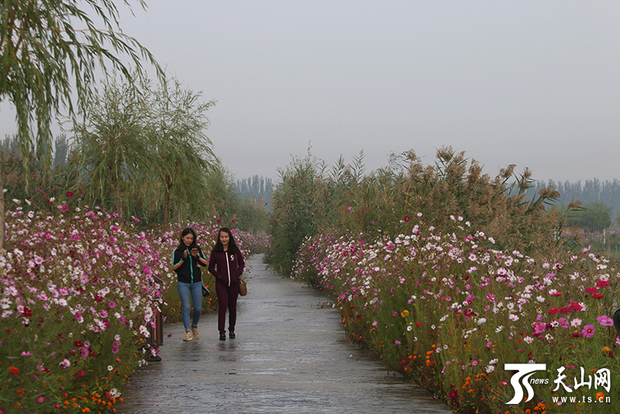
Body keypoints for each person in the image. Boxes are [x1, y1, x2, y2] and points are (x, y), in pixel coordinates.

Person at [172, 227, 209, 341]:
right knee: (186, 307)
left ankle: (194, 325)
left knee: (197, 308)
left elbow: (204, 263)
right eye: (187, 238)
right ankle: (187, 331)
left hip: (196, 283)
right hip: (183, 283)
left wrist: (196, 257)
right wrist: (183, 259)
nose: (189, 240)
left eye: (191, 238)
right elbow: (174, 267)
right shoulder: (177, 251)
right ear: (182, 237)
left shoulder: (197, 249)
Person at [208, 227, 245, 340]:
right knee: (223, 306)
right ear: (219, 238)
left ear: (230, 237)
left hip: (233, 283)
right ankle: (222, 331)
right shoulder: (216, 251)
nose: (224, 239)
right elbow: (211, 268)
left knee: (232, 307)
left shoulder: (234, 249)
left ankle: (232, 329)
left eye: (226, 237)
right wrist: (219, 276)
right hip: (221, 284)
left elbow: (242, 264)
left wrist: (236, 275)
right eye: (222, 237)